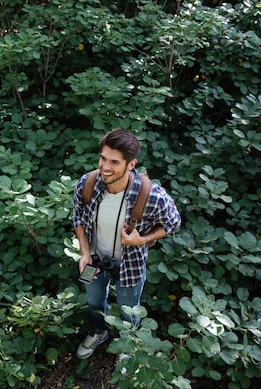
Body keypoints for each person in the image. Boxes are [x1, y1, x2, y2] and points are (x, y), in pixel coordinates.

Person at [72, 129, 181, 361]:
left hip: (130, 266)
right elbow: (78, 218)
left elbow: (173, 222)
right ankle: (99, 331)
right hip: (94, 260)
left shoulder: (152, 196)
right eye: (103, 158)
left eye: (114, 162)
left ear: (131, 164)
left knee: (129, 310)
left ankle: (128, 345)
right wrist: (84, 253)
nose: (105, 167)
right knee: (93, 302)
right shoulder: (88, 184)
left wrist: (141, 239)